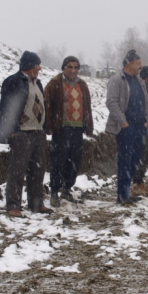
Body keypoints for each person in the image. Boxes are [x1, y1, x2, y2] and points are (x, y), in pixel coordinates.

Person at [0, 51, 53, 217]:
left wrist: (46, 126)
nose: (40, 68)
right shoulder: (13, 81)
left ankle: (36, 203)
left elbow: (42, 104)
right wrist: (11, 130)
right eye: (37, 65)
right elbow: (6, 106)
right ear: (29, 66)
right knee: (17, 171)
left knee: (38, 170)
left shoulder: (38, 83)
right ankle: (13, 205)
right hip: (21, 133)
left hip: (38, 133)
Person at [44, 56, 94, 207]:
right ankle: (54, 191)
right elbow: (47, 105)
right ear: (63, 68)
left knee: (74, 160)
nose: (73, 70)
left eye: (76, 67)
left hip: (78, 128)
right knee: (59, 160)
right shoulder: (55, 84)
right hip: (62, 129)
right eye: (69, 67)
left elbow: (87, 106)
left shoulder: (82, 85)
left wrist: (88, 124)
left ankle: (67, 188)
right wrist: (49, 125)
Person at [104, 50, 148, 205]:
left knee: (135, 160)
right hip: (126, 127)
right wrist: (123, 122)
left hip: (139, 126)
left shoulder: (139, 81)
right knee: (125, 160)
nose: (140, 66)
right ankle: (122, 194)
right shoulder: (117, 80)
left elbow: (146, 101)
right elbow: (111, 102)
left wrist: (147, 119)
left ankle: (127, 192)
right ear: (129, 64)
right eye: (138, 63)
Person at [132, 65, 148, 197]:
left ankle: (139, 182)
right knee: (141, 155)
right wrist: (146, 123)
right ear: (147, 77)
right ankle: (136, 184)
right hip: (144, 127)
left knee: (145, 155)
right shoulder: (142, 89)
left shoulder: (147, 88)